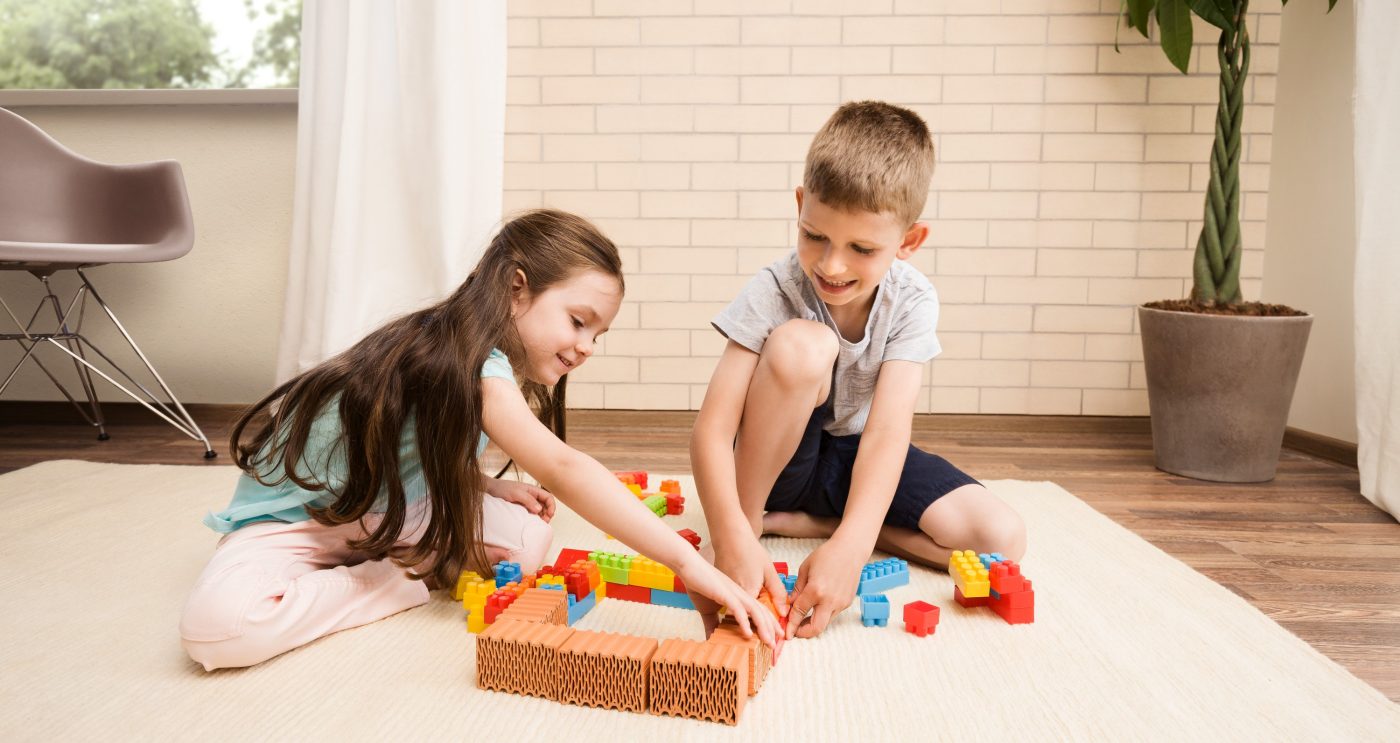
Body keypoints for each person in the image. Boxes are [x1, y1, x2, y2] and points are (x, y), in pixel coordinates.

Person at [180, 209, 779, 670]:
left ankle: (397, 558)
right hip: (300, 520)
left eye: (599, 334)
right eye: (578, 321)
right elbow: (566, 467)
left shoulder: (487, 359)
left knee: (527, 538)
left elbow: (410, 442)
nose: (587, 347)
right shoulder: (459, 356)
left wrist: (480, 482)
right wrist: (685, 564)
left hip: (389, 507)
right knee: (217, 628)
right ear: (517, 288)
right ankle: (395, 578)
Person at [690, 102, 1027, 640]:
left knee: (1002, 538)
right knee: (804, 346)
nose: (831, 265)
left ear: (908, 243)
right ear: (801, 206)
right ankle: (756, 521)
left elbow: (888, 432)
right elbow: (713, 427)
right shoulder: (774, 288)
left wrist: (850, 544)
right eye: (815, 236)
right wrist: (729, 531)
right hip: (779, 463)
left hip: (855, 461)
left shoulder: (912, 299)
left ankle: (824, 526)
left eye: (862, 248)